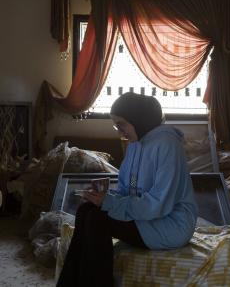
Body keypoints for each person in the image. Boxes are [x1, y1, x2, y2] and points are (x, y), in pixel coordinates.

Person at [56, 92, 198, 287]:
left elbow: (159, 205)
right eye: (117, 125)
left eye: (121, 125)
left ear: (138, 120)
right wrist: (102, 196)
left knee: (98, 219)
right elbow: (126, 191)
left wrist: (109, 203)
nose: (119, 131)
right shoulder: (134, 145)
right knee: (86, 211)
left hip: (170, 224)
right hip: (146, 217)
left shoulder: (167, 145)